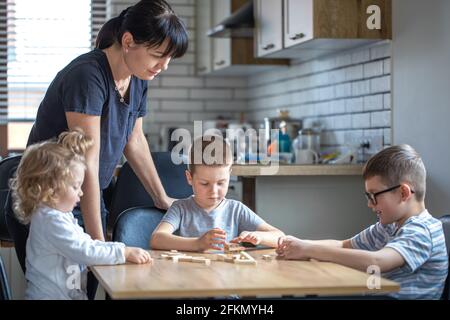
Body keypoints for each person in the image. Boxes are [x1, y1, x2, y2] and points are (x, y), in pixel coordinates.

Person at [26, 0, 189, 241]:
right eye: (158, 55)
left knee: (96, 275)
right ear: (128, 41)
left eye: (169, 58)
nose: (163, 66)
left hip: (85, 194)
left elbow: (134, 139)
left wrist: (161, 197)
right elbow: (87, 162)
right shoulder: (87, 76)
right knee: (63, 277)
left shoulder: (138, 78)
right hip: (50, 199)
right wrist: (98, 242)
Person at [276, 144, 448, 300]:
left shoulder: (423, 230)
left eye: (374, 195)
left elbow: (377, 262)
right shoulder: (388, 226)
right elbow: (344, 245)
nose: (369, 204)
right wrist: (299, 244)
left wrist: (309, 249)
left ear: (403, 193)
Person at [10, 129, 152, 300]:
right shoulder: (50, 220)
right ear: (51, 188)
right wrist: (123, 252)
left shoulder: (61, 216)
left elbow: (86, 244)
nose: (81, 193)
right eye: (76, 186)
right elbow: (85, 250)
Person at [151, 136, 285, 252]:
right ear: (189, 177)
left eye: (221, 183)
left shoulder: (236, 210)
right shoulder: (180, 208)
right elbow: (157, 239)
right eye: (204, 183)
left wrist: (259, 236)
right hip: (190, 276)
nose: (214, 191)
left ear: (229, 175)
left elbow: (280, 237)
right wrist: (198, 243)